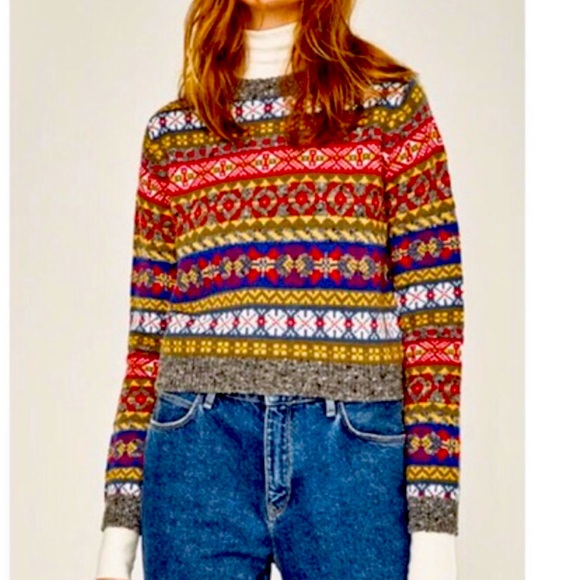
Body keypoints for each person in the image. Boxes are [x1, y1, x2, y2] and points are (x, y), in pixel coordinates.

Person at [95, 0, 463, 578]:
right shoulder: (173, 134)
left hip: (353, 460)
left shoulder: (392, 109)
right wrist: (118, 530)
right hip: (196, 451)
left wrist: (435, 527)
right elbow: (147, 342)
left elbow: (434, 325)